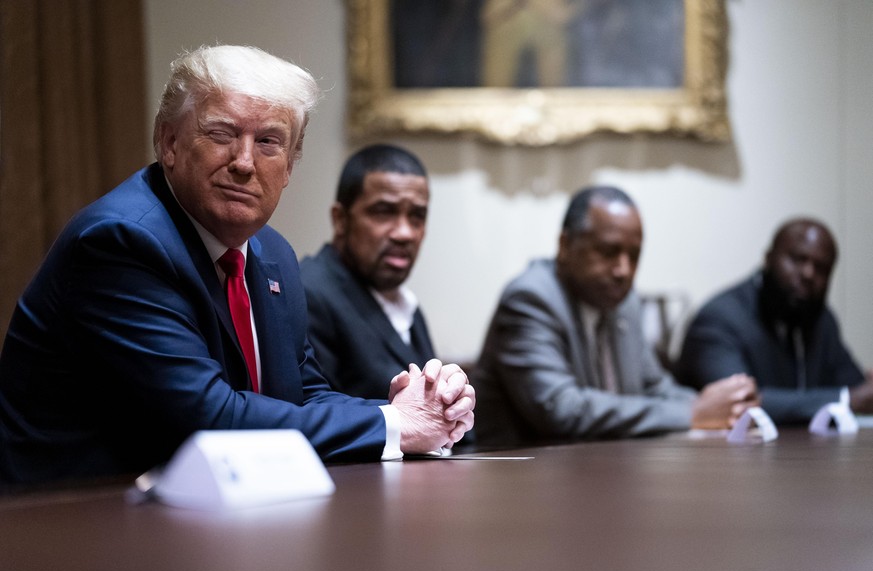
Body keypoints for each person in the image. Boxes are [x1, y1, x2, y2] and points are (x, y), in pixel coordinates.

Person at [0, 45, 474, 486]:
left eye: (269, 142)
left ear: (290, 166)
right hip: (69, 524)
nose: (244, 163)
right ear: (168, 143)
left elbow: (302, 395)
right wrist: (397, 425)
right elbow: (207, 418)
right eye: (221, 134)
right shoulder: (121, 242)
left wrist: (422, 410)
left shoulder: (274, 256)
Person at [473, 186, 757, 446]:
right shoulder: (530, 298)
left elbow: (655, 387)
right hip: (518, 481)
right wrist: (691, 412)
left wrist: (726, 407)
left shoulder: (625, 303)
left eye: (634, 256)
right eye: (608, 252)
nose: (623, 270)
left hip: (601, 472)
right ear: (565, 246)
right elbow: (561, 410)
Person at [676, 218, 873, 424]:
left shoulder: (821, 319)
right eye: (798, 259)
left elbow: (858, 389)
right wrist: (847, 401)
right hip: (725, 454)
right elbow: (738, 404)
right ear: (768, 259)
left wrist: (862, 394)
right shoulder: (719, 319)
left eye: (821, 268)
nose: (808, 273)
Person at [300, 144, 436, 400]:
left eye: (417, 216)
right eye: (384, 212)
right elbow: (320, 413)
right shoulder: (308, 294)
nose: (404, 233)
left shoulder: (403, 301)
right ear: (340, 219)